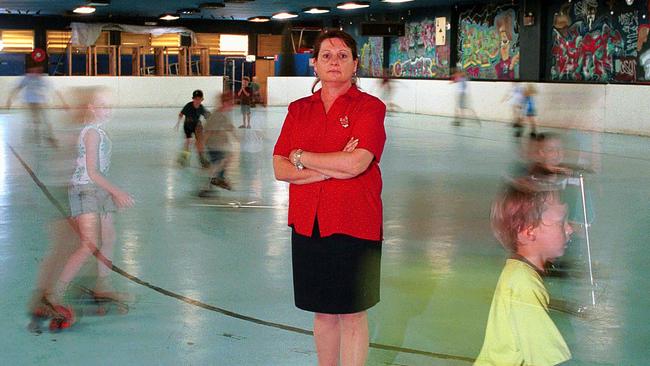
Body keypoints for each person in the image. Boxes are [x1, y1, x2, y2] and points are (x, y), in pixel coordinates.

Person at [273, 29, 386, 366]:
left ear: (355, 65)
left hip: (355, 222)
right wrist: (328, 166)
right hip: (309, 224)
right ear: (314, 65)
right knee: (322, 313)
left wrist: (302, 156)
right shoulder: (298, 110)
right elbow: (279, 168)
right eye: (326, 55)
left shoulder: (370, 108)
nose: (334, 61)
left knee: (352, 313)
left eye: (342, 56)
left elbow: (357, 162)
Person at [32, 87, 135, 327]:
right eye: (100, 106)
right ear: (91, 108)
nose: (106, 110)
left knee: (109, 238)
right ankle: (53, 295)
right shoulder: (91, 133)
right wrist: (116, 191)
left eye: (108, 106)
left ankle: (102, 286)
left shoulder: (98, 131)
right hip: (85, 190)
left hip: (98, 191)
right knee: (88, 244)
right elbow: (90, 172)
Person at [474, 179, 573, 365]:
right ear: (529, 232)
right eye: (561, 222)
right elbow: (547, 360)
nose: (570, 229)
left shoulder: (518, 272)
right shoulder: (524, 283)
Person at [6, 64, 68, 146]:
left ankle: (50, 137)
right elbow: (17, 88)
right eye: (34, 70)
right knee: (36, 120)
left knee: (46, 120)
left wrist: (63, 102)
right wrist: (9, 100)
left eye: (39, 71)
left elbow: (55, 91)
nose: (36, 73)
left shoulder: (42, 79)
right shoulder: (27, 78)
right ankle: (37, 137)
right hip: (31, 103)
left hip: (41, 102)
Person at [200, 92, 236, 195]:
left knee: (223, 160)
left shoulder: (223, 114)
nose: (232, 105)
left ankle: (218, 179)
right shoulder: (216, 115)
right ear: (224, 103)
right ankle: (212, 182)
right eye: (230, 103)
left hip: (220, 144)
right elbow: (208, 132)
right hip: (214, 145)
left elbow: (230, 127)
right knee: (219, 163)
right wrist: (201, 146)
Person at [175, 89, 210, 167]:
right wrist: (178, 122)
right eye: (195, 99)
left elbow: (207, 116)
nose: (197, 101)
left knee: (199, 142)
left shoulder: (201, 108)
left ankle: (202, 159)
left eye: (199, 99)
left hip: (197, 126)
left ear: (202, 99)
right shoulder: (188, 106)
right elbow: (181, 113)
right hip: (187, 126)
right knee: (188, 141)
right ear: (193, 99)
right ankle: (184, 158)